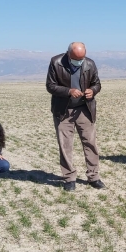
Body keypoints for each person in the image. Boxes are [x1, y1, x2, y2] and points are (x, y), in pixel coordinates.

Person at [46, 42, 105, 191]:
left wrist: (93, 90)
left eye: (82, 58)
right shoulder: (56, 62)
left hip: (84, 109)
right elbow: (50, 86)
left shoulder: (90, 64)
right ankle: (69, 178)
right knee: (65, 145)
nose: (80, 61)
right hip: (63, 111)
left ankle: (94, 177)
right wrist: (69, 91)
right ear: (68, 54)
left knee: (90, 143)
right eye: (76, 59)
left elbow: (97, 83)